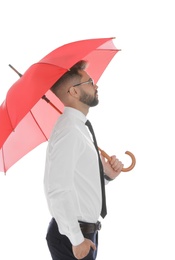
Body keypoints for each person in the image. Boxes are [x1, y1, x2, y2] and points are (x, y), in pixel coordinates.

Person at [44, 60, 123, 260]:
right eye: (89, 82)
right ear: (74, 92)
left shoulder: (78, 127)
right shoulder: (70, 130)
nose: (96, 86)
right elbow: (57, 188)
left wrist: (106, 176)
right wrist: (76, 239)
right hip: (72, 237)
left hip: (84, 233)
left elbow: (80, 183)